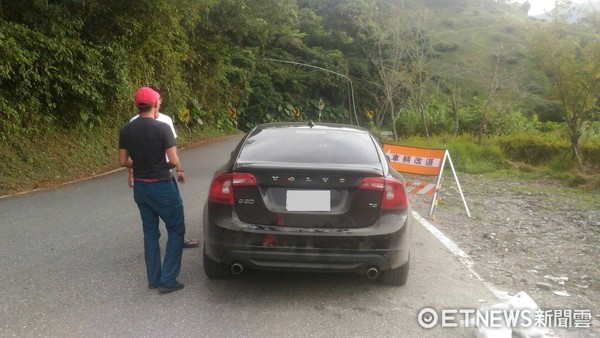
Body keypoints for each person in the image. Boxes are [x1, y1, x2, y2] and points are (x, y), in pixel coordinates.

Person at [119, 87, 186, 293]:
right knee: (176, 229)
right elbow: (173, 161)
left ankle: (154, 279)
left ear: (136, 105)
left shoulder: (126, 130)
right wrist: (159, 166)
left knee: (150, 233)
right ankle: (168, 279)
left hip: (141, 187)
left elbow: (123, 161)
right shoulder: (162, 128)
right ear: (156, 104)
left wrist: (140, 165)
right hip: (162, 185)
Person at [128, 105, 199, 249]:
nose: (158, 104)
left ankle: (177, 241)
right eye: (156, 101)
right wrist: (131, 174)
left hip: (165, 172)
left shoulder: (166, 120)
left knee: (173, 208)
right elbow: (132, 151)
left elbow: (173, 148)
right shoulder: (134, 122)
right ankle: (172, 250)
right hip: (151, 175)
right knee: (164, 211)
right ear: (153, 103)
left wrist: (179, 169)